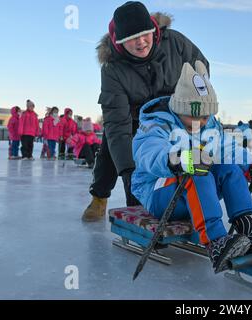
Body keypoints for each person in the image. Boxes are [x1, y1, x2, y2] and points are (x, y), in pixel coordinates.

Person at [131, 61, 252, 273]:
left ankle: (251, 228)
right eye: (195, 116)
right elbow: (147, 151)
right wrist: (178, 159)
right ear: (179, 108)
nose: (202, 122)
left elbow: (229, 149)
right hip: (158, 192)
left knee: (229, 167)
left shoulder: (210, 124)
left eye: (206, 116)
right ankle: (216, 241)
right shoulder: (157, 123)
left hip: (193, 192)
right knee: (198, 171)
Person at [81, 1, 210, 222]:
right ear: (119, 41)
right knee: (111, 149)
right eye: (132, 38)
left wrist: (193, 104)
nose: (141, 42)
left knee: (178, 154)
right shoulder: (113, 68)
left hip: (173, 114)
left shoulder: (175, 43)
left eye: (145, 34)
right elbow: (117, 124)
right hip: (133, 119)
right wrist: (131, 175)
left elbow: (201, 71)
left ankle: (184, 199)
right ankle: (99, 196)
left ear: (153, 29)